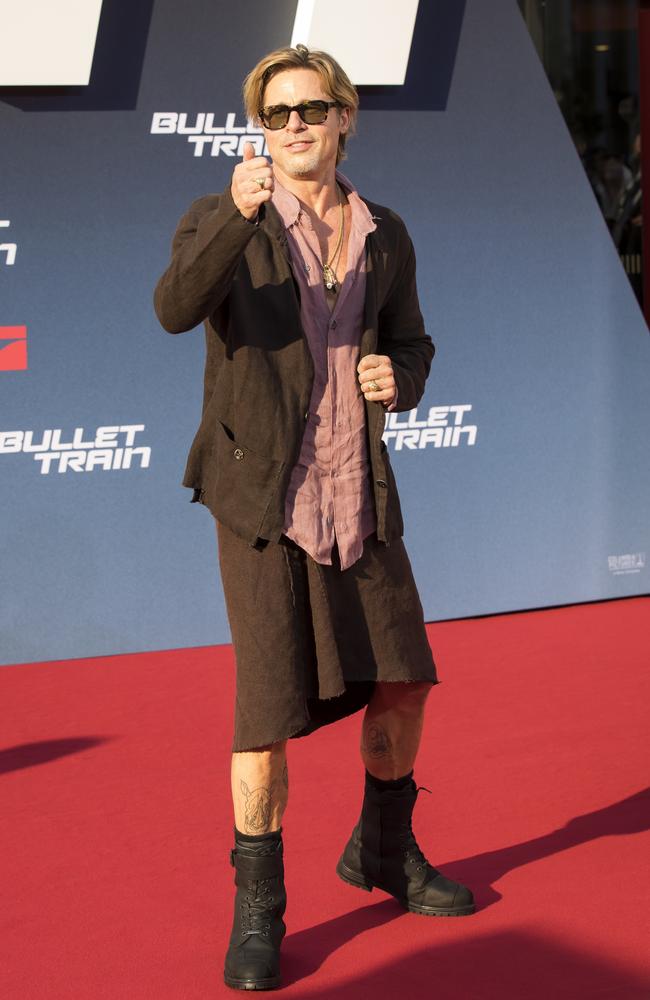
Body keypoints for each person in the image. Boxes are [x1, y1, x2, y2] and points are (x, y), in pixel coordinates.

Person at [154, 43, 474, 992]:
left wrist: (400, 379)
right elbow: (174, 309)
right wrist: (238, 214)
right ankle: (260, 909)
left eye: (312, 108)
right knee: (265, 715)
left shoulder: (386, 234)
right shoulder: (225, 220)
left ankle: (383, 848)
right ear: (261, 130)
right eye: (278, 113)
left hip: (359, 492)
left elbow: (413, 340)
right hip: (263, 502)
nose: (295, 125)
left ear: (343, 120)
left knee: (404, 680)